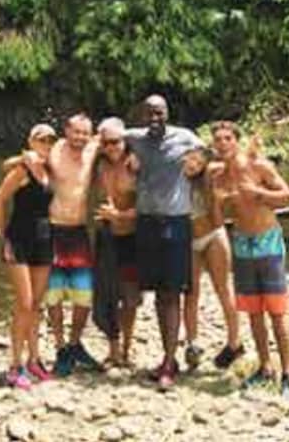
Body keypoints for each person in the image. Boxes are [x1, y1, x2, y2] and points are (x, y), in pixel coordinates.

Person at [7, 113, 101, 376]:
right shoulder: (53, 150)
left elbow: (123, 139)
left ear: (91, 134)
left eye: (85, 132)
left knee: (84, 296)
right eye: (76, 132)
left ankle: (75, 344)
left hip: (79, 230)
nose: (80, 137)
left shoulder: (94, 147)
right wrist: (20, 158)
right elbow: (13, 167)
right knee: (53, 296)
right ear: (66, 131)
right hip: (53, 230)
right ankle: (60, 347)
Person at [124, 95, 207, 391]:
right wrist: (124, 159)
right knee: (158, 295)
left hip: (175, 224)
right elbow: (104, 139)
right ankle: (166, 357)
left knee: (171, 294)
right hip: (146, 224)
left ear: (167, 113)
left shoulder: (184, 137)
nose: (154, 118)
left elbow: (207, 153)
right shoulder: (134, 138)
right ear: (142, 115)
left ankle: (170, 363)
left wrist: (197, 165)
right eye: (149, 113)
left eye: (159, 113)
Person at [211, 122, 289, 397]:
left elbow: (288, 197)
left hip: (268, 242)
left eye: (228, 139)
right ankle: (264, 368)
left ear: (236, 141)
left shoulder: (258, 166)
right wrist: (218, 201)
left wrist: (259, 194)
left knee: (276, 311)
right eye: (218, 140)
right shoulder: (219, 177)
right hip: (241, 245)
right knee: (253, 312)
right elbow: (214, 218)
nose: (223, 143)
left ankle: (288, 375)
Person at [0, 123, 57, 388]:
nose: (46, 144)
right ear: (30, 141)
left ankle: (35, 360)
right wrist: (3, 233)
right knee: (25, 304)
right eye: (41, 139)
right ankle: (14, 365)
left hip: (43, 240)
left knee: (37, 304)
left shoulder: (49, 170)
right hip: (18, 240)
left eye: (50, 140)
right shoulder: (23, 170)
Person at [181, 150, 244, 371]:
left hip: (213, 235)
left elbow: (232, 163)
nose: (194, 165)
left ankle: (234, 342)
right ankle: (192, 343)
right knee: (190, 292)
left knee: (223, 289)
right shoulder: (173, 177)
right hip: (189, 241)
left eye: (199, 162)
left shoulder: (209, 173)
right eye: (191, 159)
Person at [92, 117, 143, 367]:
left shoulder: (136, 165)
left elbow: (149, 206)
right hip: (106, 236)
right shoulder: (97, 164)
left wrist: (120, 215)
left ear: (125, 140)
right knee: (107, 294)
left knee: (131, 297)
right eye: (106, 142)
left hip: (132, 236)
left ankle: (126, 348)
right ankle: (113, 349)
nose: (111, 147)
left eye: (116, 142)